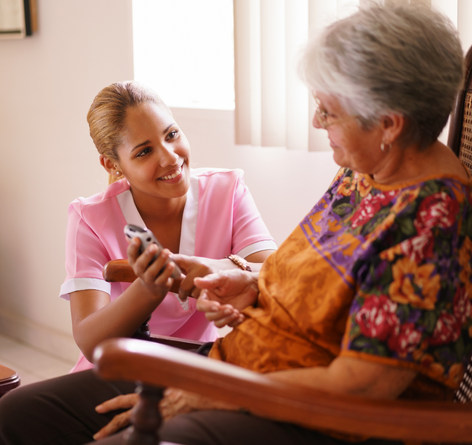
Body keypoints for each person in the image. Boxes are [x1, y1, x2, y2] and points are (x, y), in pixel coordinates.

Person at [0, 3, 471, 445]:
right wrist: (248, 282)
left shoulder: (428, 223)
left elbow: (363, 385)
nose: (315, 121)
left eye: (329, 110)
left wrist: (215, 395)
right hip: (240, 370)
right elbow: (323, 287)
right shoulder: (368, 170)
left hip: (301, 415)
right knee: (16, 416)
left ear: (388, 124)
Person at [61, 81, 276, 373]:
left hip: (196, 370)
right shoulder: (89, 218)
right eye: (144, 151)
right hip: (117, 371)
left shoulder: (228, 190)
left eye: (171, 135)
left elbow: (275, 276)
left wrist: (221, 266)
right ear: (113, 165)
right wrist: (148, 290)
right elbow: (90, 342)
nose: (170, 157)